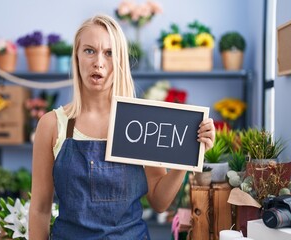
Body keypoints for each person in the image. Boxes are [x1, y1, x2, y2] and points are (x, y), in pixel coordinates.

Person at [29, 14, 215, 239]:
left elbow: (159, 202)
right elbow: (39, 209)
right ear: (76, 56)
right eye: (89, 50)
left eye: (109, 53)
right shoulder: (52, 125)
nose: (99, 62)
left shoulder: (141, 121)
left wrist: (186, 156)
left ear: (120, 61)